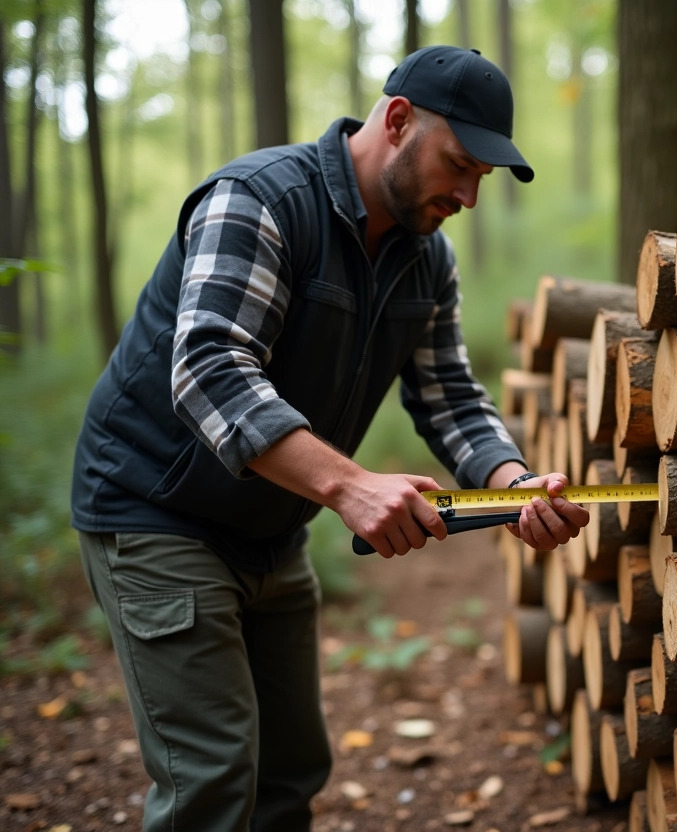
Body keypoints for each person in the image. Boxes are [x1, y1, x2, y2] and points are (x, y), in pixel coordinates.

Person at [70, 45, 588, 830]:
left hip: (272, 529)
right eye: (460, 164)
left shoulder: (427, 258)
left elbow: (450, 395)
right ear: (398, 120)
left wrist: (512, 486)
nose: (469, 194)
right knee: (212, 776)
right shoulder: (260, 200)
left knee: (291, 772)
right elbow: (208, 369)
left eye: (483, 176)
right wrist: (350, 485)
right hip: (153, 512)